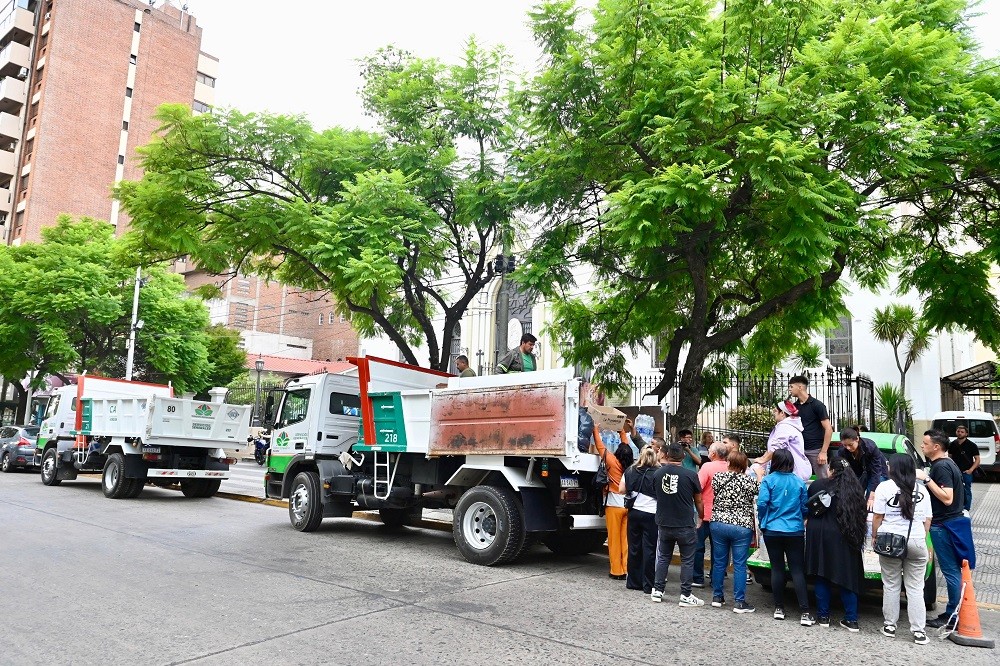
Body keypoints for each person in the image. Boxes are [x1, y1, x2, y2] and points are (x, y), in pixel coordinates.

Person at [872, 453, 933, 645]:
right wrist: (920, 538)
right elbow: (928, 520)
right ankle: (919, 631)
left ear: (894, 468)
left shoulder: (884, 487)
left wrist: (875, 536)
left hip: (891, 541)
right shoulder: (922, 489)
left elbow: (877, 517)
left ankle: (890, 626)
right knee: (915, 588)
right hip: (916, 541)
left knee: (891, 584)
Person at [804, 456, 867, 632]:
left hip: (820, 535)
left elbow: (809, 508)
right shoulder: (855, 490)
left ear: (831, 470)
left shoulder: (817, 485)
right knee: (847, 576)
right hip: (845, 535)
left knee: (821, 573)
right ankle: (851, 619)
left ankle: (823, 616)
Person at [918, 429, 972, 630]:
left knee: (950, 571)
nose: (922, 446)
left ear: (936, 447)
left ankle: (953, 614)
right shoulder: (947, 464)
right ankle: (954, 611)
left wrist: (926, 479)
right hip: (951, 522)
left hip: (944, 524)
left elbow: (947, 497)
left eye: (925, 443)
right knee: (953, 571)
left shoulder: (941, 467)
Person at [757, 448, 813, 625]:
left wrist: (763, 521)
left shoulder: (768, 480)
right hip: (794, 529)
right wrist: (803, 517)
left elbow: (762, 503)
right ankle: (804, 611)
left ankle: (779, 608)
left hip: (772, 529)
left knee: (777, 568)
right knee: (797, 570)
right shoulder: (798, 482)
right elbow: (805, 506)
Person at [651, 443, 705, 607]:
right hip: (684, 523)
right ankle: (686, 594)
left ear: (667, 455)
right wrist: (701, 516)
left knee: (663, 557)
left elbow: (656, 493)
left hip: (664, 522)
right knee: (687, 560)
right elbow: (698, 500)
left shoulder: (657, 473)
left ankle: (658, 590)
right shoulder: (690, 475)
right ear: (683, 457)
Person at [710, 449, 760, 613]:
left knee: (719, 562)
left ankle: (717, 597)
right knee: (739, 564)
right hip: (741, 525)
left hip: (718, 522)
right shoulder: (748, 481)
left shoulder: (718, 477)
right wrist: (759, 474)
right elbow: (760, 491)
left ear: (729, 463)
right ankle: (739, 602)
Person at [620, 445, 659, 593]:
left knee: (634, 548)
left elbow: (621, 490)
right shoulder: (658, 472)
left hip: (634, 512)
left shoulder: (630, 470)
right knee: (649, 549)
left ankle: (633, 582)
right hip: (651, 514)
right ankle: (648, 584)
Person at [595, 427, 632, 580]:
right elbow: (626, 448)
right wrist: (622, 433)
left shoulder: (612, 462)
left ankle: (616, 571)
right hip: (627, 506)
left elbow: (600, 447)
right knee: (625, 540)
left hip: (613, 505)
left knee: (614, 539)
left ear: (618, 453)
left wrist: (595, 430)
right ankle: (627, 569)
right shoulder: (631, 466)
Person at [693, 442, 730, 588]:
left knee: (698, 546)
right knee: (719, 550)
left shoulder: (707, 467)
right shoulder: (730, 467)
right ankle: (716, 579)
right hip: (723, 515)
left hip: (705, 514)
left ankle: (697, 578)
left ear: (714, 454)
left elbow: (698, 487)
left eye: (709, 450)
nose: (708, 451)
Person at [753, 400, 811, 481]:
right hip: (792, 472)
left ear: (782, 413)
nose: (774, 413)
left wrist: (763, 460)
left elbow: (776, 448)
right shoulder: (788, 426)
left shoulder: (785, 427)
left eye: (776, 411)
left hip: (792, 473)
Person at [788, 375, 833, 479]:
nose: (789, 389)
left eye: (791, 386)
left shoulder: (817, 405)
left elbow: (828, 429)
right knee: (797, 479)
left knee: (825, 480)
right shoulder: (794, 407)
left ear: (800, 387)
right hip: (798, 450)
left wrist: (823, 452)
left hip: (816, 450)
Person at [839, 428, 888, 509]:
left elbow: (876, 471)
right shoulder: (842, 451)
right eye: (845, 445)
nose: (848, 448)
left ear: (857, 439)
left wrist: (872, 496)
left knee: (872, 499)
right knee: (854, 497)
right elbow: (841, 468)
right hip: (859, 473)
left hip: (878, 472)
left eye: (850, 445)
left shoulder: (870, 447)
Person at [948, 425, 979, 513]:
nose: (960, 433)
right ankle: (955, 506)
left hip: (966, 472)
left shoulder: (972, 445)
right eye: (958, 431)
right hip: (954, 472)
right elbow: (949, 458)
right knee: (954, 489)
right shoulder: (952, 444)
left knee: (966, 490)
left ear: (966, 433)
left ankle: (966, 508)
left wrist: (971, 470)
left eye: (962, 432)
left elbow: (977, 459)